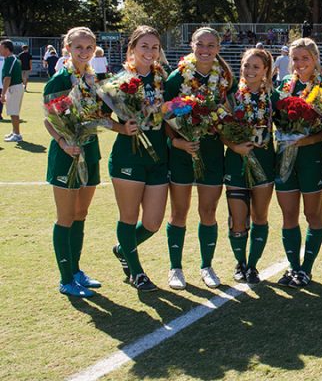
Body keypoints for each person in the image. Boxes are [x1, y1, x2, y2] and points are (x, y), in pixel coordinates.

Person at [165, 27, 233, 290]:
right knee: (179, 212)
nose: (205, 50)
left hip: (212, 152)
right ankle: (175, 268)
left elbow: (229, 110)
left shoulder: (224, 77)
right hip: (183, 152)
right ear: (191, 45)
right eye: (200, 44)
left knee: (208, 211)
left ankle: (206, 265)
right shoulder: (176, 76)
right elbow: (165, 116)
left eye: (211, 45)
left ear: (218, 48)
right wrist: (178, 141)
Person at [43, 27, 104, 297]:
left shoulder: (93, 79)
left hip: (89, 152)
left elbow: (98, 114)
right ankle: (66, 279)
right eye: (78, 47)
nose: (84, 52)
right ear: (67, 48)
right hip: (66, 155)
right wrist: (64, 143)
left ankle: (77, 271)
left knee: (81, 214)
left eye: (89, 47)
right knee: (65, 217)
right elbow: (49, 120)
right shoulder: (59, 80)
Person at [108, 26, 169, 292]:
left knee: (153, 222)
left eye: (154, 47)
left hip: (158, 155)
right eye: (144, 46)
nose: (150, 51)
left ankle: (123, 249)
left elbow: (172, 110)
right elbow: (94, 113)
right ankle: (137, 272)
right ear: (132, 49)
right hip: (128, 156)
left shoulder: (164, 79)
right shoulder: (119, 80)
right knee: (129, 217)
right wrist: (121, 128)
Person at [275, 38, 322, 288]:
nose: (299, 63)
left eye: (305, 58)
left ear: (315, 59)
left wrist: (307, 141)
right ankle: (293, 268)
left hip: (311, 157)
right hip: (285, 156)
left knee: (312, 214)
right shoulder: (284, 86)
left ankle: (306, 268)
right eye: (295, 58)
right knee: (288, 215)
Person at [223, 48, 277, 285]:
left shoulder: (274, 98)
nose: (250, 71)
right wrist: (234, 147)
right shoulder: (231, 95)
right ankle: (240, 262)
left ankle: (253, 266)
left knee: (259, 216)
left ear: (266, 70)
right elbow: (219, 128)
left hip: (265, 162)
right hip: (235, 161)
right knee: (237, 219)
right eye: (246, 65)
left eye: (256, 66)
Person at [1, 40, 24, 142]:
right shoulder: (14, 58)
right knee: (12, 111)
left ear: (6, 49)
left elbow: (7, 78)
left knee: (14, 112)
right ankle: (14, 131)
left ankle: (17, 134)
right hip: (16, 87)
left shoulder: (10, 60)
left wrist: (2, 94)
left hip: (13, 88)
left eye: (1, 48)